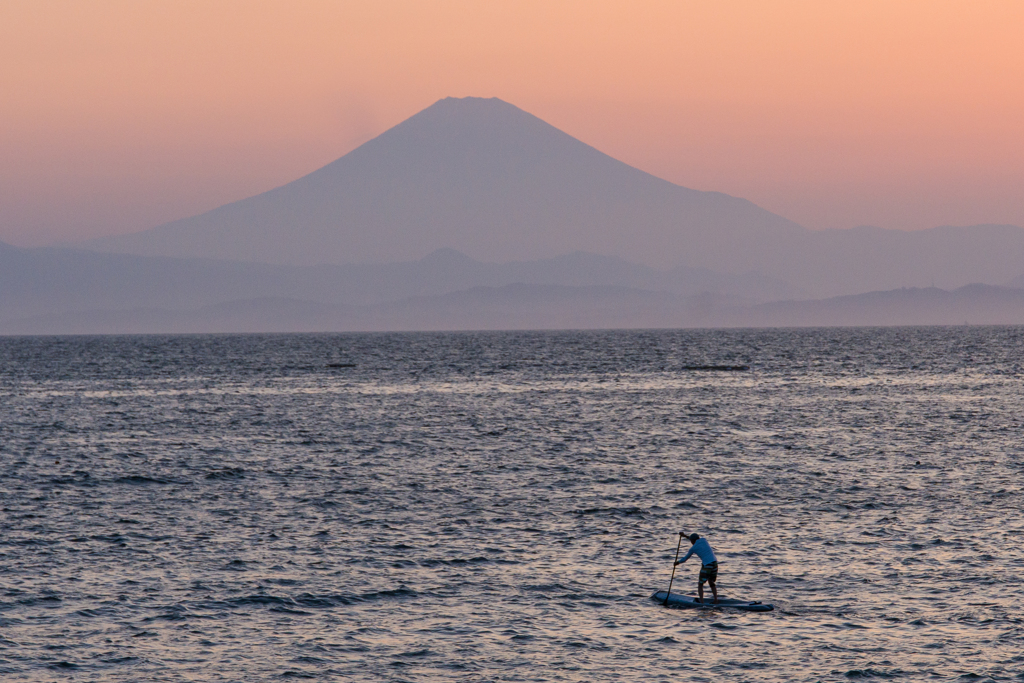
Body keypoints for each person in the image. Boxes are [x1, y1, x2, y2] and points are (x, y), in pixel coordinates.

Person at [675, 532, 718, 603]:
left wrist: (678, 562)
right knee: (711, 582)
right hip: (715, 563)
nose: (691, 542)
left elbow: (685, 558)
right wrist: (685, 536)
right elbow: (693, 539)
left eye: (691, 541)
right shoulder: (704, 540)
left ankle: (701, 602)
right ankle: (716, 600)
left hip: (707, 565)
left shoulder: (693, 548)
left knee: (700, 584)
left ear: (693, 541)